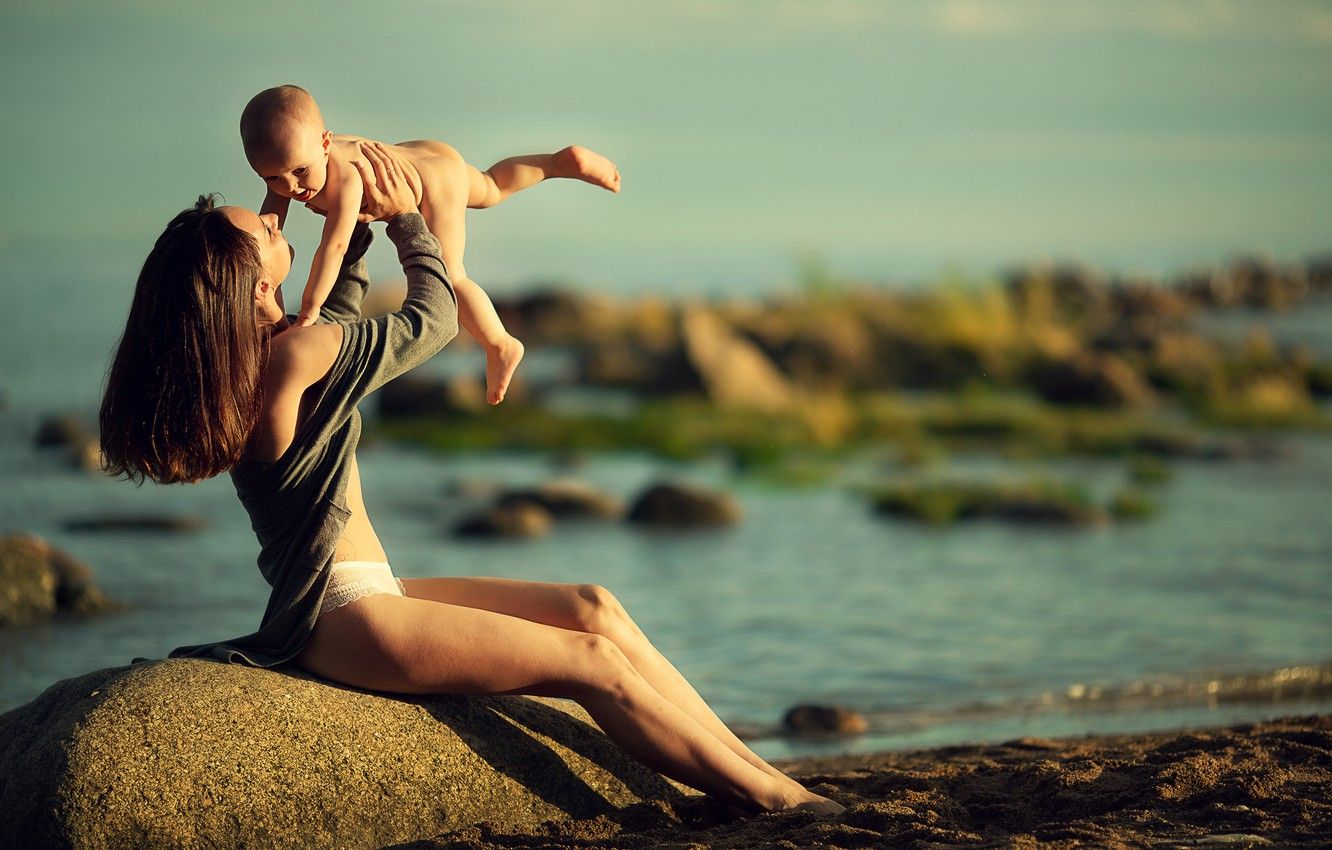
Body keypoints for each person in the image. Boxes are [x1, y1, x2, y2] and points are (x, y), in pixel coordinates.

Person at [98, 142, 842, 816]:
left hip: (355, 598)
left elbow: (340, 314)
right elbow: (434, 319)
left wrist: (352, 219)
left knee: (593, 608)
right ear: (249, 282)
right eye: (261, 229)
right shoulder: (294, 357)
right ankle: (774, 798)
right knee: (590, 663)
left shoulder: (252, 366)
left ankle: (744, 763)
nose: (273, 217)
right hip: (353, 618)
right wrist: (411, 223)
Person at [241, 84, 621, 405]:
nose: (290, 188)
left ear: (325, 143)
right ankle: (558, 163)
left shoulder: (345, 181)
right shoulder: (296, 157)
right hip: (426, 153)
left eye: (300, 172)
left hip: (432, 186)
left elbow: (334, 248)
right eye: (273, 179)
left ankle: (499, 343)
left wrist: (308, 312)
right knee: (490, 186)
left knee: (451, 276)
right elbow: (267, 225)